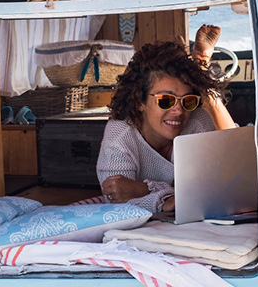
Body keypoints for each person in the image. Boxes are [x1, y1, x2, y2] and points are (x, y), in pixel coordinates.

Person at [96, 25, 236, 213]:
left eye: (188, 100)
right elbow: (116, 202)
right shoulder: (120, 136)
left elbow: (218, 184)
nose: (178, 110)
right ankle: (201, 60)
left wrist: (143, 189)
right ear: (140, 101)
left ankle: (201, 62)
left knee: (229, 148)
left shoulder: (196, 121)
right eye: (166, 100)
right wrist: (165, 201)